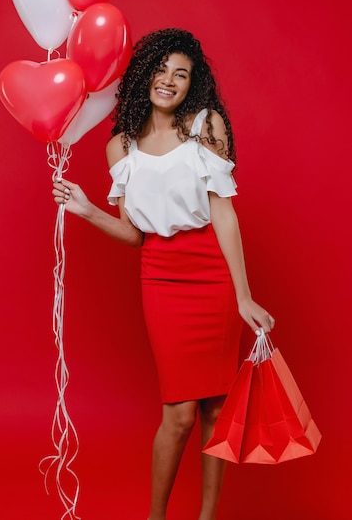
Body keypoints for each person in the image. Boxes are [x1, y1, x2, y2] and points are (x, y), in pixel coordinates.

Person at [53, 28, 275, 520]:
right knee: (177, 415)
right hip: (161, 277)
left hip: (213, 277)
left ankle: (207, 516)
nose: (169, 80)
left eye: (182, 73)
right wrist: (87, 210)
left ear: (192, 84)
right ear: (144, 75)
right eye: (161, 69)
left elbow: (223, 214)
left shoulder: (205, 125)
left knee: (215, 409)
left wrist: (243, 296)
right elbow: (135, 236)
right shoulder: (121, 148)